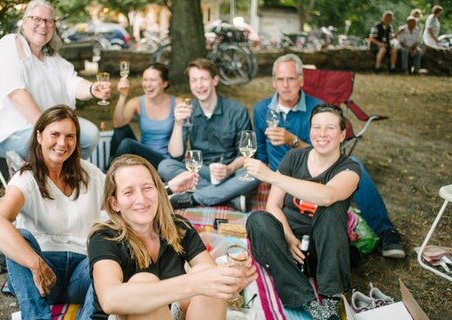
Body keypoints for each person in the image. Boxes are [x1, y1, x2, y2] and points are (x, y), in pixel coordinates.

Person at [253, 54, 405, 259]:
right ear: (273, 82)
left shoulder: (318, 109)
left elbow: (329, 150)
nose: (286, 85)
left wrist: (293, 140)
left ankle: (386, 231)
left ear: (301, 80)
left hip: (317, 170)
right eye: (280, 79)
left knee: (354, 166)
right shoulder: (261, 109)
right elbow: (262, 152)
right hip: (284, 178)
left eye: (291, 78)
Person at [88, 154, 257, 319]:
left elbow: (209, 278)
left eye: (147, 188)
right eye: (128, 192)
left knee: (205, 274)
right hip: (123, 315)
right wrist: (192, 283)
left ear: (158, 190)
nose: (141, 199)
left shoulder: (178, 226)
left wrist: (230, 283)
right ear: (114, 203)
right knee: (144, 281)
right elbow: (110, 299)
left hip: (170, 313)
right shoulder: (104, 237)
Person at [0, 105, 106, 319]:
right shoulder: (26, 179)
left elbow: (126, 199)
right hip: (42, 276)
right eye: (55, 134)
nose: (62, 143)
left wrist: (170, 188)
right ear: (39, 136)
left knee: (106, 255)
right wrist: (35, 263)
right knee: (19, 236)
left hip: (81, 273)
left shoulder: (90, 173)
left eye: (70, 136)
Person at [246, 103, 361, 320]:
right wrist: (288, 239)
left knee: (332, 208)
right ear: (310, 131)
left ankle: (330, 299)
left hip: (324, 250)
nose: (322, 134)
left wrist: (271, 176)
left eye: (330, 128)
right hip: (286, 248)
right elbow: (273, 205)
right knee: (257, 219)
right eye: (316, 127)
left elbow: (327, 195)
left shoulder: (350, 168)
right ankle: (307, 301)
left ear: (343, 134)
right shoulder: (295, 157)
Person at [0, 0, 111, 163]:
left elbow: (72, 83)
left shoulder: (52, 58)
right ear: (25, 22)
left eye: (49, 21)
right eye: (37, 19)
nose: (43, 25)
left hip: (45, 127)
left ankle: (58, 180)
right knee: (56, 144)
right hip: (6, 132)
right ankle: (48, 183)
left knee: (89, 135)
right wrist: (47, 128)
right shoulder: (10, 44)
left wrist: (93, 88)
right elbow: (16, 94)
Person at [158, 58, 260, 212]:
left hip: (230, 170)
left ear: (215, 80)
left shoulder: (237, 111)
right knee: (164, 166)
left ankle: (192, 198)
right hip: (200, 172)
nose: (199, 85)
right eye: (194, 80)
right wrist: (178, 124)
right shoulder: (187, 110)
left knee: (254, 174)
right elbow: (176, 154)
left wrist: (229, 169)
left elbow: (246, 154)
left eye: (203, 79)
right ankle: (229, 197)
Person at [110, 63, 178, 168]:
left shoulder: (178, 104)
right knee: (121, 130)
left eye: (153, 80)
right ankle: (113, 170)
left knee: (128, 144)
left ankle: (111, 172)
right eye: (145, 80)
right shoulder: (137, 102)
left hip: (164, 161)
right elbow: (117, 124)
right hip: (143, 156)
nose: (147, 84)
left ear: (164, 83)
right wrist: (122, 96)